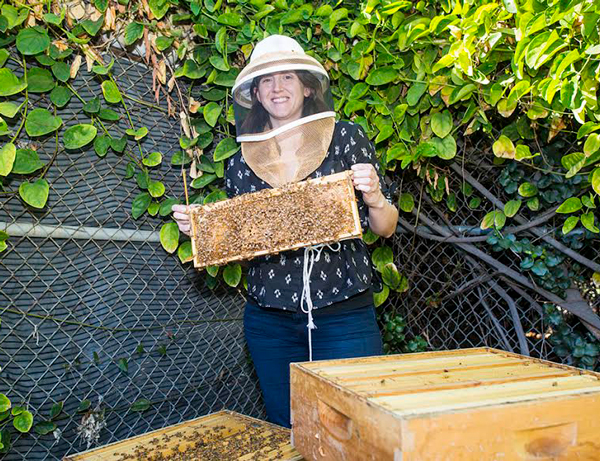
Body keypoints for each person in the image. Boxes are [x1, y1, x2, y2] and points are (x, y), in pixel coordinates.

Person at [173, 35, 399, 428]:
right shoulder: (240, 163)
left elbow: (386, 228)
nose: (277, 88)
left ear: (308, 86)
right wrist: (207, 229)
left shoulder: (345, 137)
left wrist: (376, 197)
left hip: (342, 313)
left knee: (355, 427)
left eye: (288, 78)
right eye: (266, 81)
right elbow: (245, 240)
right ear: (255, 94)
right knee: (288, 427)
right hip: (270, 321)